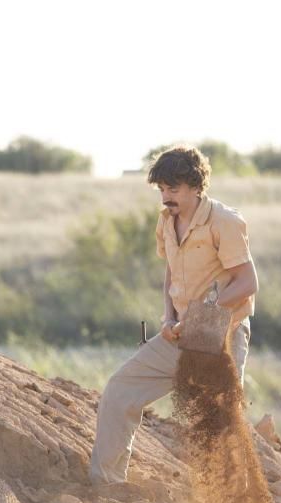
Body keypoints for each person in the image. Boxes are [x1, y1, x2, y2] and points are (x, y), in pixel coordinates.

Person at [88, 145, 259, 485]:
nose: (167, 197)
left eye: (174, 189)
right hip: (179, 332)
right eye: (162, 189)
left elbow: (247, 282)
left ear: (196, 186)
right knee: (120, 390)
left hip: (220, 334)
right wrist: (167, 318)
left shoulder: (224, 221)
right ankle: (105, 486)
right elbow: (171, 269)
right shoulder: (167, 219)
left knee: (220, 424)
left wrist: (203, 316)